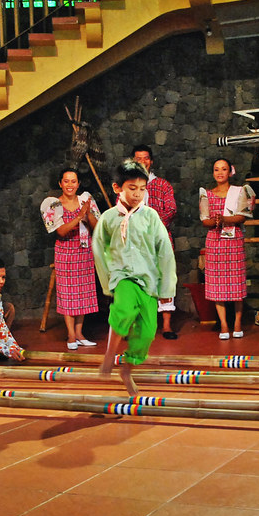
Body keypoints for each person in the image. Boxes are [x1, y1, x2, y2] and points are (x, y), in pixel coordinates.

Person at [93, 160, 177, 395]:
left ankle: (127, 369)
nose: (137, 194)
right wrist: (108, 282)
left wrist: (166, 286)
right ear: (117, 188)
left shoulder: (150, 216)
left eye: (142, 188)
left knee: (147, 333)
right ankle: (110, 355)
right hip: (123, 277)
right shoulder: (108, 218)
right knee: (124, 310)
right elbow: (99, 250)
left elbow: (165, 251)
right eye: (132, 188)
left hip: (148, 281)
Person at [40, 168, 101, 350]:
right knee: (68, 295)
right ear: (60, 183)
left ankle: (80, 333)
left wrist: (87, 212)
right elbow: (61, 231)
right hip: (66, 252)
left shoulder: (85, 200)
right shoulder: (54, 204)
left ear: (78, 184)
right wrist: (79, 216)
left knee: (83, 294)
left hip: (85, 251)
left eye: (73, 181)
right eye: (66, 181)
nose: (70, 185)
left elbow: (97, 226)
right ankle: (71, 334)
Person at [199, 159, 255, 339]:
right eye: (216, 169)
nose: (220, 173)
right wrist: (215, 221)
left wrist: (224, 219)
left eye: (224, 169)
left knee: (236, 283)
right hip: (215, 241)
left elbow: (242, 217)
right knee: (217, 285)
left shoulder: (239, 192)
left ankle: (237, 322)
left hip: (234, 241)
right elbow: (204, 220)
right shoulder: (207, 194)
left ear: (231, 171)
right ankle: (223, 324)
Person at [133, 145, 178, 339]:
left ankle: (166, 325)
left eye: (146, 158)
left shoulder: (163, 185)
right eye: (138, 159)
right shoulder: (127, 186)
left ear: (151, 161)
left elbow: (171, 209)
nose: (142, 162)